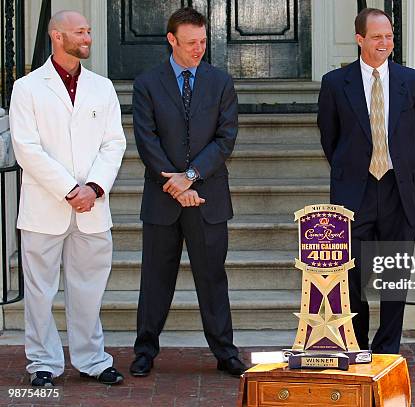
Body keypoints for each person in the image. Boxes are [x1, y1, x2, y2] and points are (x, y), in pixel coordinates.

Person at [9, 11, 126, 386]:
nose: (88, 37)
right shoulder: (27, 87)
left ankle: (92, 359)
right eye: (81, 32)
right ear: (57, 37)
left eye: (89, 31)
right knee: (40, 292)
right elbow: (26, 148)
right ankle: (43, 363)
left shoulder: (102, 87)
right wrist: (68, 189)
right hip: (45, 208)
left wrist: (93, 187)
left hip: (93, 207)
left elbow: (114, 143)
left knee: (89, 290)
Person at [129, 7, 245, 377]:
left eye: (203, 42)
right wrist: (176, 185)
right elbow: (147, 142)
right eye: (191, 42)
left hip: (208, 198)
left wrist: (190, 176)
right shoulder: (147, 83)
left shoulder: (220, 82)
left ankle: (225, 352)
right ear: (171, 41)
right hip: (162, 200)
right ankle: (145, 351)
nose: (199, 49)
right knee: (155, 280)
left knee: (212, 279)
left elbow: (225, 139)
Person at [317, 8, 415, 354]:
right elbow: (329, 138)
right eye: (378, 36)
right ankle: (357, 344)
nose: (385, 42)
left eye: (390, 36)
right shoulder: (336, 84)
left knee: (395, 279)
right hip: (355, 192)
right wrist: (355, 167)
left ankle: (387, 350)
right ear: (360, 40)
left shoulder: (414, 82)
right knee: (351, 277)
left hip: (398, 191)